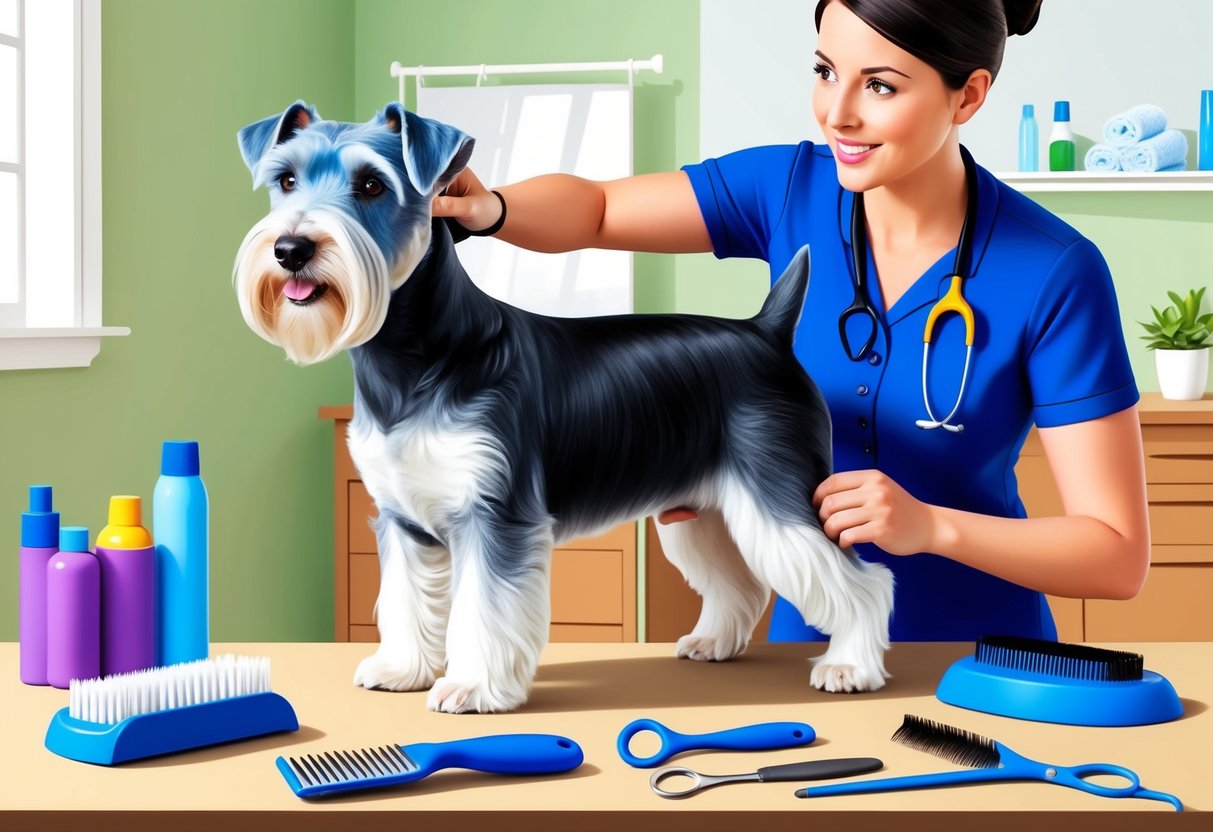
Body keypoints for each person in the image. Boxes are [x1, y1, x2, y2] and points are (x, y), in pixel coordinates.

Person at [432, 0, 1150, 642]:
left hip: (984, 665)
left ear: (966, 96)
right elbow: (594, 211)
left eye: (879, 85)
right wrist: (489, 208)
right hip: (806, 659)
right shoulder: (788, 188)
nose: (836, 113)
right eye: (824, 70)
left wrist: (931, 526)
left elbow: (1115, 555)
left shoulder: (1053, 270)